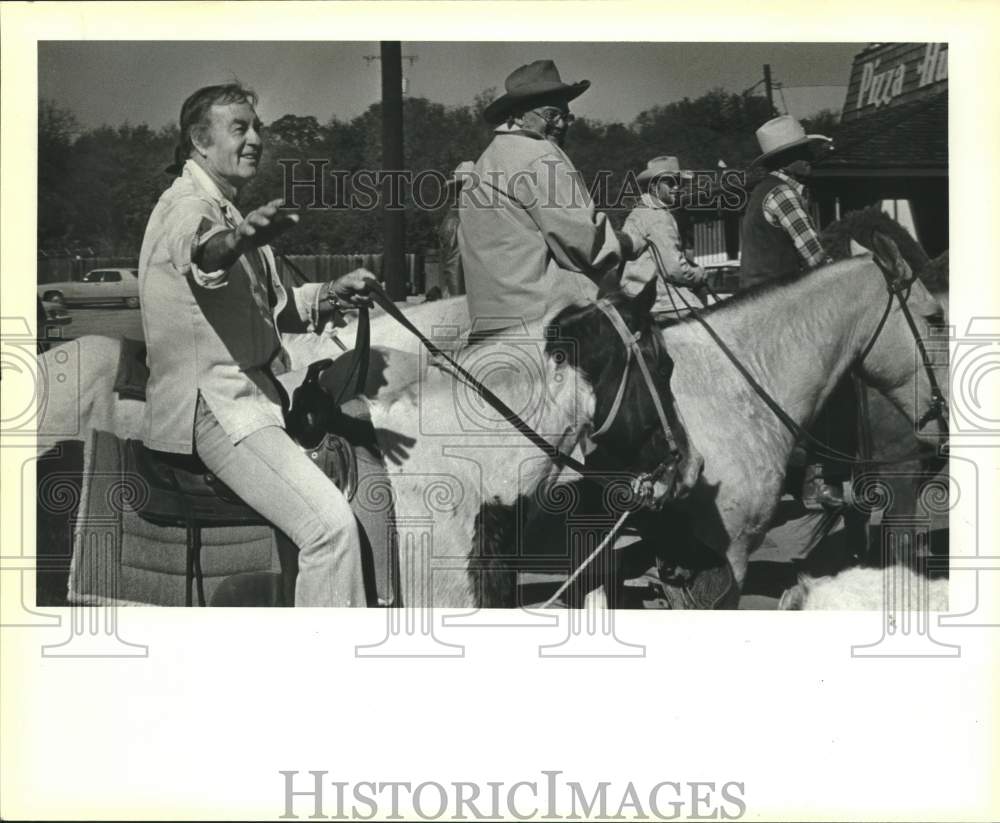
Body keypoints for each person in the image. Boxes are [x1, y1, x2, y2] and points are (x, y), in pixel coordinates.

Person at [139, 83, 376, 606]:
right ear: (199, 142)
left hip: (252, 400)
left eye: (257, 127)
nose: (256, 139)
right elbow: (203, 254)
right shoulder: (188, 207)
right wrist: (240, 241)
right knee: (331, 529)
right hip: (218, 408)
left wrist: (334, 292)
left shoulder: (223, 206)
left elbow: (270, 307)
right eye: (239, 128)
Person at [458, 59, 644, 336]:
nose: (561, 124)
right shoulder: (539, 156)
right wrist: (629, 241)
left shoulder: (486, 162)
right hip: (545, 325)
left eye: (565, 116)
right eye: (551, 115)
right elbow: (584, 243)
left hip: (490, 325)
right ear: (519, 116)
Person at [739, 115, 833, 291]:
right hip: (774, 299)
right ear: (784, 160)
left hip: (753, 298)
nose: (811, 156)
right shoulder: (783, 194)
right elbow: (815, 255)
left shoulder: (762, 191)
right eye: (804, 152)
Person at [621, 156, 708, 322]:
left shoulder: (638, 213)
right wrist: (701, 274)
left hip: (637, 297)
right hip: (663, 300)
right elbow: (674, 271)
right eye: (670, 183)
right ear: (654, 187)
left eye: (678, 182)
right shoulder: (658, 216)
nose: (677, 187)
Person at [437, 161, 473, 297]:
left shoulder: (460, 217)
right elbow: (454, 268)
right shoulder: (457, 221)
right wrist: (459, 303)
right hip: (460, 301)